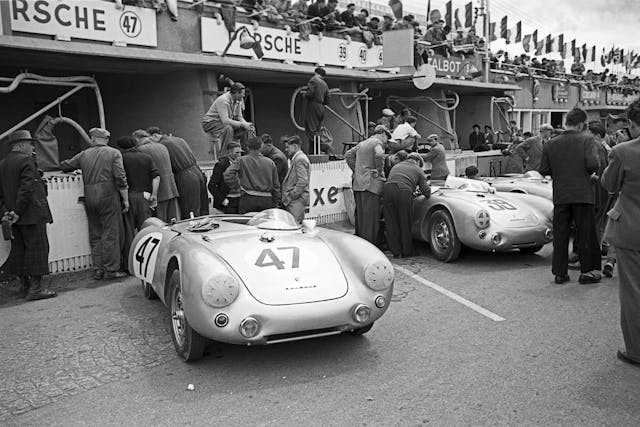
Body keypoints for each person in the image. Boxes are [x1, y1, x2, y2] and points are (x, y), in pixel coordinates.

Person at [538, 108, 601, 285]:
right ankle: (587, 271)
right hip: (583, 194)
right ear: (582, 124)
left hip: (561, 194)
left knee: (561, 234)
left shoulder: (551, 143)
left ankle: (560, 272)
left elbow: (543, 169)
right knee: (585, 234)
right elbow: (593, 164)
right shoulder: (587, 139)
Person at [60, 128, 129, 280]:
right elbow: (120, 177)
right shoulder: (114, 153)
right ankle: (111, 269)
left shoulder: (84, 154)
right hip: (108, 194)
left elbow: (65, 165)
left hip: (89, 194)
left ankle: (98, 269)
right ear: (107, 139)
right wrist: (125, 199)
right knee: (110, 233)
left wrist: (74, 171)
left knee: (95, 233)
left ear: (92, 138)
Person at [601, 99, 640, 366]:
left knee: (633, 292)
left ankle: (636, 350)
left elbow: (609, 184)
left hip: (632, 231)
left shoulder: (623, 151)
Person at [0, 130, 56, 300]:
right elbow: (26, 190)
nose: (32, 147)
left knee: (19, 251)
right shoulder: (27, 161)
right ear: (22, 144)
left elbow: (0, 193)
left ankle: (24, 287)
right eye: (31, 144)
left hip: (12, 217)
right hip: (30, 214)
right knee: (38, 249)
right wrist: (17, 211)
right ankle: (36, 289)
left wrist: (7, 213)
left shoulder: (2, 163)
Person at [117, 136, 159, 269]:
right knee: (146, 230)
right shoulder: (146, 157)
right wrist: (154, 195)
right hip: (144, 197)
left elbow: (119, 178)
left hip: (128, 197)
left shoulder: (120, 158)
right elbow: (156, 176)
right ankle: (147, 263)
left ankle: (130, 265)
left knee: (128, 232)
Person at [345, 125, 390, 245]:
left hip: (358, 184)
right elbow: (380, 155)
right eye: (387, 137)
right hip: (371, 185)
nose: (386, 141)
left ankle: (360, 244)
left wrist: (357, 170)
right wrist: (380, 171)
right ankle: (370, 246)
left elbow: (348, 155)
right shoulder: (377, 142)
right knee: (371, 218)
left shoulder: (362, 144)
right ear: (382, 134)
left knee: (360, 216)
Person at [147, 127, 206, 219]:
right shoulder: (178, 139)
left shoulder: (163, 145)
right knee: (201, 206)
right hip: (197, 171)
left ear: (155, 135)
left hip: (185, 176)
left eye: (150, 140)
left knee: (189, 209)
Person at [383, 152, 431, 258]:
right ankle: (407, 251)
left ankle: (396, 252)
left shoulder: (397, 166)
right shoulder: (418, 169)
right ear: (418, 161)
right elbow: (426, 191)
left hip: (387, 190)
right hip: (403, 191)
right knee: (405, 221)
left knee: (391, 222)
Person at [223, 136, 281, 213]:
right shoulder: (270, 163)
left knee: (246, 224)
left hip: (248, 199)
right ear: (261, 147)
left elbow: (227, 174)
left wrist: (236, 186)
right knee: (266, 224)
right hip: (267, 200)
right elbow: (276, 186)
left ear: (247, 147)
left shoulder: (241, 160)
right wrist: (276, 201)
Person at [133, 129, 180, 222]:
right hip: (171, 188)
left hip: (157, 192)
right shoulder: (162, 146)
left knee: (160, 223)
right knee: (173, 221)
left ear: (138, 139)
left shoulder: (141, 150)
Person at [202, 82, 254, 156]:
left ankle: (246, 155)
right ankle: (224, 156)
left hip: (223, 123)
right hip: (210, 123)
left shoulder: (238, 101)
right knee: (228, 128)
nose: (244, 95)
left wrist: (246, 125)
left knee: (245, 129)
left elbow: (238, 116)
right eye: (242, 93)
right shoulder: (223, 100)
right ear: (236, 93)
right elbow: (225, 120)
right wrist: (242, 124)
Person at [281, 136, 310, 223]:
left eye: (288, 147)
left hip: (296, 200)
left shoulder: (300, 159)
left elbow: (303, 181)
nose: (286, 150)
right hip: (296, 200)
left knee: (294, 225)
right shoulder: (298, 158)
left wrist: (292, 195)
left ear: (295, 146)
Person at [208, 142, 243, 214]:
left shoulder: (242, 163)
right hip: (228, 201)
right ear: (229, 152)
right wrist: (222, 200)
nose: (239, 155)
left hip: (240, 199)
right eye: (237, 152)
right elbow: (212, 185)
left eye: (240, 152)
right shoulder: (220, 165)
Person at [303, 67, 330, 154]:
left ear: (316, 73)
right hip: (321, 108)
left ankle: (324, 146)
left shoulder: (313, 80)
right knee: (317, 131)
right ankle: (313, 152)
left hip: (313, 106)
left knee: (311, 130)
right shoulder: (325, 84)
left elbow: (310, 93)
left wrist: (305, 95)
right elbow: (327, 100)